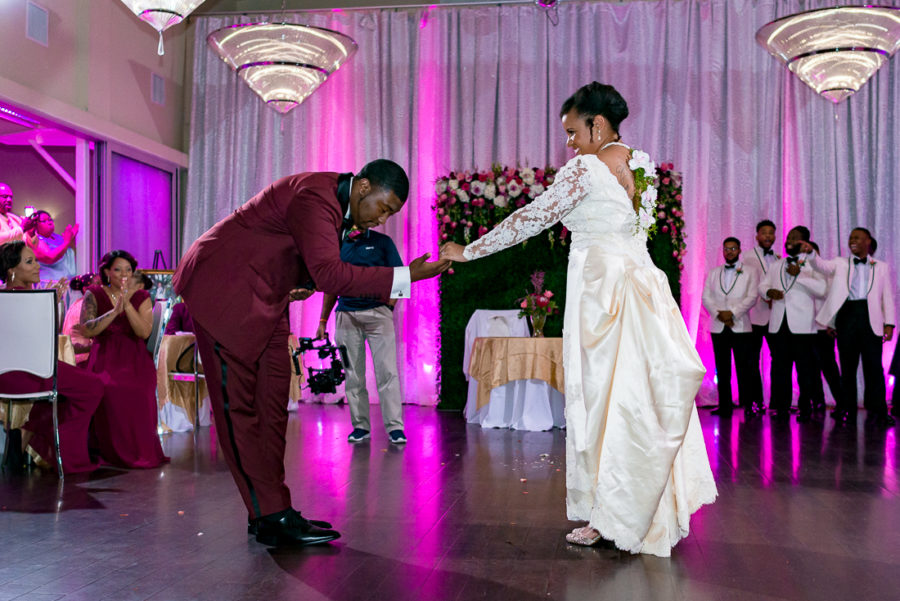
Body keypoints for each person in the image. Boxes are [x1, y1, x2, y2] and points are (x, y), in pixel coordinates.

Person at [440, 82, 716, 557]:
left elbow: (532, 217)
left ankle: (615, 514)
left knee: (603, 402)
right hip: (642, 289)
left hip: (602, 294)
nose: (569, 142)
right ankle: (634, 511)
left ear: (598, 123)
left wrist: (469, 251)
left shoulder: (587, 167)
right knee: (635, 399)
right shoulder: (642, 163)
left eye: (572, 131)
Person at [173, 159, 450, 548]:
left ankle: (271, 511)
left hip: (267, 295)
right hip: (224, 289)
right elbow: (331, 274)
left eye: (391, 214)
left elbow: (300, 256)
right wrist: (407, 276)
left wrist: (303, 280)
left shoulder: (337, 204)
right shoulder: (317, 198)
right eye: (384, 208)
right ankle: (270, 514)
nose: (383, 219)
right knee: (239, 409)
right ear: (365, 187)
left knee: (272, 402)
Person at [0, 241, 104, 474]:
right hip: (33, 373)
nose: (38, 265)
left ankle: (28, 432)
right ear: (11, 270)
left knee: (69, 390)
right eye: (30, 261)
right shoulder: (34, 298)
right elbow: (43, 342)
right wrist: (50, 303)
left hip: (4, 378)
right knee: (94, 386)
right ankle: (67, 452)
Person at [76, 250, 169, 467]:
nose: (123, 274)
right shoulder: (94, 294)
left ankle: (140, 450)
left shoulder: (142, 297)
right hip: (105, 354)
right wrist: (113, 311)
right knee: (108, 387)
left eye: (128, 270)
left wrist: (126, 304)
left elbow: (144, 333)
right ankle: (108, 451)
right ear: (107, 272)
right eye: (118, 269)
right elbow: (88, 330)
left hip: (134, 356)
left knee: (138, 388)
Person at [316, 227, 406, 444]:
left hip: (377, 315)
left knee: (387, 373)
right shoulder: (338, 244)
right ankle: (360, 426)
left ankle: (395, 428)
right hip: (346, 317)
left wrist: (388, 308)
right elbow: (331, 286)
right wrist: (322, 320)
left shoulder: (382, 241)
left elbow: (402, 277)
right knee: (352, 374)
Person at [801, 228, 895, 426]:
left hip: (871, 320)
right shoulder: (840, 263)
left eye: (857, 237)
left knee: (874, 368)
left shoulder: (882, 267)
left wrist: (890, 323)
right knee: (848, 368)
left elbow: (887, 296)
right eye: (851, 237)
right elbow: (821, 266)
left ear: (868, 241)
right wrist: (810, 252)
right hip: (847, 316)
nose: (853, 240)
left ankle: (878, 409)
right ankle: (848, 410)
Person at [758, 226, 825, 422]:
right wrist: (769, 293)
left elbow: (822, 289)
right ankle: (781, 407)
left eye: (794, 238)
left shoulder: (813, 265)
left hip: (803, 327)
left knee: (805, 369)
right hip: (779, 324)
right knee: (780, 368)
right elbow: (763, 285)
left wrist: (800, 276)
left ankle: (805, 407)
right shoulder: (776, 265)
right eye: (788, 237)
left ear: (805, 243)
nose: (789, 240)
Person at [701, 237, 760, 417]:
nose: (729, 252)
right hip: (719, 326)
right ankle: (725, 405)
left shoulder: (750, 271)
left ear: (740, 250)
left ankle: (748, 404)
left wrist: (732, 313)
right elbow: (706, 297)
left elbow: (752, 297)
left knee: (745, 367)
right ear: (723, 251)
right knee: (722, 368)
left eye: (733, 248)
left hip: (740, 325)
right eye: (726, 249)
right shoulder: (713, 272)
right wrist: (719, 313)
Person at [744, 219, 780, 413]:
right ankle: (754, 401)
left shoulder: (779, 258)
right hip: (755, 315)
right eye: (764, 232)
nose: (768, 236)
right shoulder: (747, 257)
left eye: (771, 233)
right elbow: (746, 284)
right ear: (757, 236)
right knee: (751, 360)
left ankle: (776, 403)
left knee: (779, 360)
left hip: (776, 316)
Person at [804, 242, 841, 413]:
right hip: (804, 327)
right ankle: (816, 402)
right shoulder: (799, 271)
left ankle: (842, 402)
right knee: (809, 369)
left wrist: (831, 323)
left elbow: (834, 299)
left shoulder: (828, 272)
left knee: (829, 367)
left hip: (822, 327)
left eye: (812, 252)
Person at [22, 210, 79, 287]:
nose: (49, 222)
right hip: (48, 285)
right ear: (36, 225)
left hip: (66, 284)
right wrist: (67, 242)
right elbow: (50, 257)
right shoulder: (36, 240)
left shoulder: (59, 237)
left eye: (50, 219)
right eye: (44, 221)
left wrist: (71, 238)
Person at [63, 273, 101, 366]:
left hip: (73, 356)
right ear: (85, 289)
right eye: (97, 285)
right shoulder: (86, 305)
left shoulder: (78, 303)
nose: (101, 288)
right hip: (82, 359)